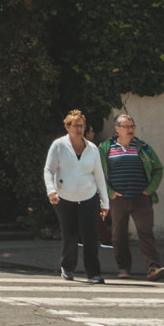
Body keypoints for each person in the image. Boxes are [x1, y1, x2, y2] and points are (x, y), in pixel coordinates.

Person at [98, 112, 164, 281]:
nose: (130, 129)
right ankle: (123, 268)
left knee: (146, 233)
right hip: (118, 199)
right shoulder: (105, 148)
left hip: (141, 198)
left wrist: (149, 190)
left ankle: (153, 268)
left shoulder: (143, 147)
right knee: (118, 234)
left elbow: (158, 169)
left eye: (132, 126)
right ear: (117, 129)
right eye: (126, 126)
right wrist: (110, 193)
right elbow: (98, 173)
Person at [43, 109, 109, 283]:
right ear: (67, 127)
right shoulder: (59, 145)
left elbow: (99, 176)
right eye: (76, 126)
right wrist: (51, 190)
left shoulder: (92, 148)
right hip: (64, 196)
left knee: (90, 235)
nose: (80, 129)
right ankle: (68, 267)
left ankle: (93, 273)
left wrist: (105, 202)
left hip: (87, 196)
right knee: (70, 234)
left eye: (82, 126)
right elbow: (49, 170)